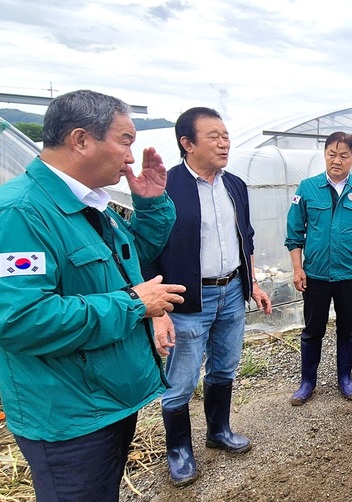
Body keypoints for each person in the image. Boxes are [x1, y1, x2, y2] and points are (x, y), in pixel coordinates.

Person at [0, 89, 186, 501]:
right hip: (69, 415)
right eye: (125, 140)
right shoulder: (19, 213)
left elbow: (127, 262)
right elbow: (19, 319)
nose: (131, 156)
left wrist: (152, 207)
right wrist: (135, 305)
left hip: (105, 399)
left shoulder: (87, 206)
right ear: (81, 140)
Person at [145, 107, 272, 487]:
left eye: (226, 135)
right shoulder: (166, 189)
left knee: (224, 367)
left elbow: (244, 237)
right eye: (213, 136)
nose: (224, 142)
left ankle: (218, 431)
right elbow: (148, 251)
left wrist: (253, 282)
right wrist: (157, 312)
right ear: (186, 143)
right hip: (186, 299)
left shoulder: (234, 184)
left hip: (231, 290)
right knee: (181, 379)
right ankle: (178, 449)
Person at [285, 132, 352, 404]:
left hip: (350, 274)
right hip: (315, 274)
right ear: (325, 154)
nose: (336, 160)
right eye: (331, 154)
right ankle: (307, 382)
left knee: (347, 326)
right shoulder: (307, 187)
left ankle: (345, 378)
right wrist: (297, 269)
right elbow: (294, 233)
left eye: (343, 155)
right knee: (313, 329)